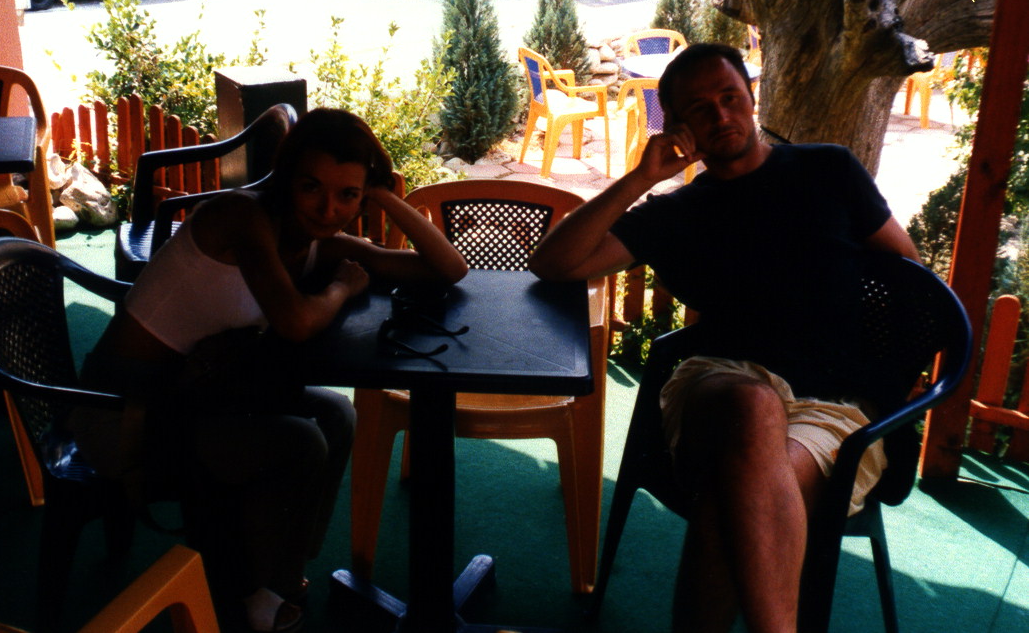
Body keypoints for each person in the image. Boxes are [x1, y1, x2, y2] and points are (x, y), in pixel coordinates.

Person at [529, 43, 919, 633]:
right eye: (700, 108)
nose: (721, 115)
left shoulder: (828, 171)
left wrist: (893, 380)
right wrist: (640, 178)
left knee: (733, 501)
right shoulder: (678, 213)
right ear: (677, 126)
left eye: (730, 97)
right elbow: (554, 264)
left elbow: (908, 274)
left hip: (830, 408)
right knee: (752, 406)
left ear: (751, 97)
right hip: (720, 383)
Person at [68, 108, 468, 633]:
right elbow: (296, 322)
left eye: (347, 195)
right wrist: (340, 288)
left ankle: (276, 579)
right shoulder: (241, 216)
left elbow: (449, 269)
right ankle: (258, 597)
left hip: (192, 398)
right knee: (301, 444)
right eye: (311, 187)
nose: (329, 209)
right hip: (122, 416)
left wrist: (384, 194)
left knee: (337, 413)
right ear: (286, 177)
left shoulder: (317, 243)